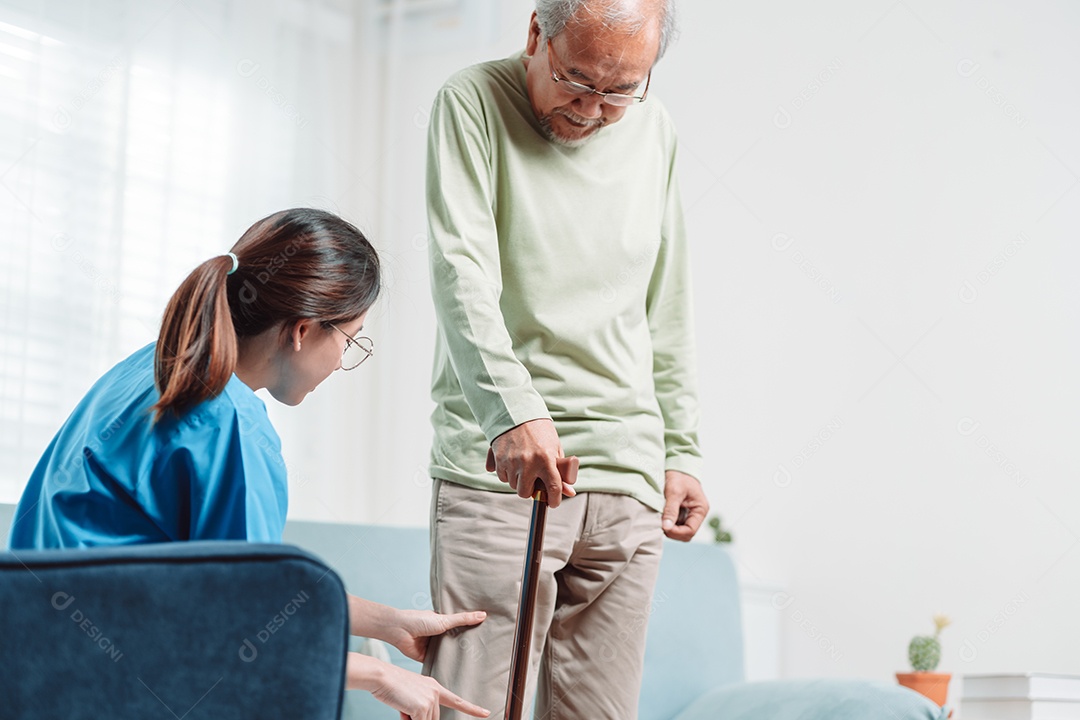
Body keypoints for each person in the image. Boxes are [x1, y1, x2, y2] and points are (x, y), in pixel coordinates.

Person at [8, 208, 489, 720]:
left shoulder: (150, 368)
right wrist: (380, 675)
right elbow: (242, 632)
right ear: (302, 330)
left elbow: (226, 592)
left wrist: (388, 623)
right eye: (350, 340)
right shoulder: (232, 426)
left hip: (29, 667)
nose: (340, 363)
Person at [423, 0, 709, 717]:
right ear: (536, 35)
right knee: (472, 711)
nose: (593, 109)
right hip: (505, 472)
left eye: (621, 90)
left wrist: (680, 449)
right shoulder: (472, 101)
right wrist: (511, 413)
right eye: (578, 80)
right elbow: (460, 274)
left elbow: (667, 300)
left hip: (628, 477)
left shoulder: (655, 130)